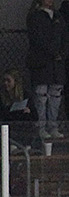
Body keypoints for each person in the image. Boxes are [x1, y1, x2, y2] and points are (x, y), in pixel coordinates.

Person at [27, 0, 68, 141]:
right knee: (41, 96)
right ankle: (41, 127)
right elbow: (37, 39)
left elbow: (65, 37)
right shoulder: (35, 16)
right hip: (42, 63)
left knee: (55, 95)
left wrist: (62, 53)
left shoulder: (58, 16)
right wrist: (52, 52)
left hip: (57, 65)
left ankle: (53, 125)